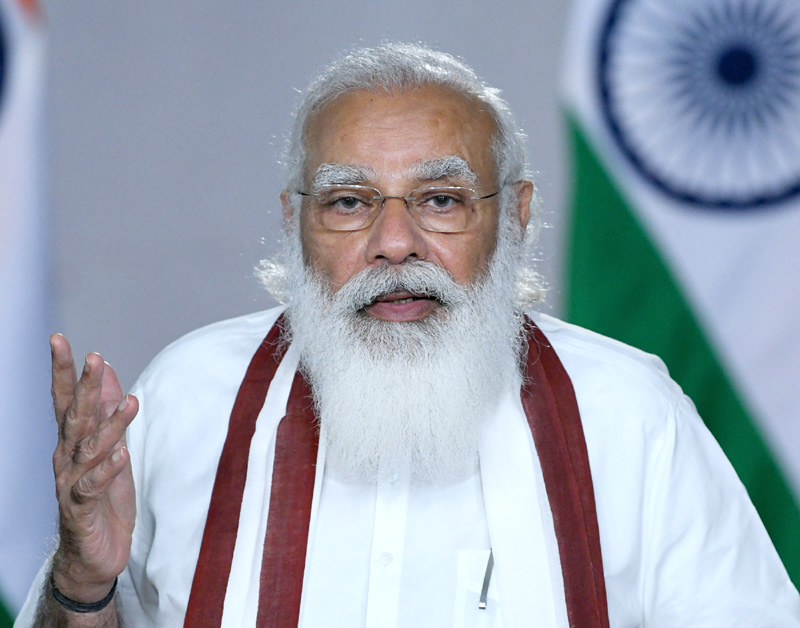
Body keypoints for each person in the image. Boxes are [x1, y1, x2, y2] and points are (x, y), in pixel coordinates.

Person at [16, 43, 800, 628]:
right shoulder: (188, 399)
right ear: (294, 223)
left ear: (516, 215)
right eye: (349, 203)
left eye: (441, 200)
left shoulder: (629, 415)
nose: (395, 243)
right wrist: (82, 587)